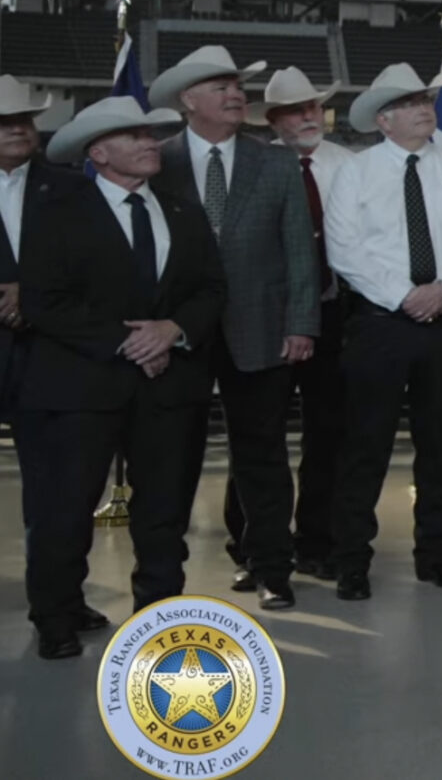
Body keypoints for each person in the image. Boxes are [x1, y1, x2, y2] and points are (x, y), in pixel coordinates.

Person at [17, 97, 225, 661]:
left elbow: (210, 289)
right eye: (133, 137)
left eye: (152, 135)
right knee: (66, 510)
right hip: (81, 386)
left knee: (163, 514)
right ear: (98, 152)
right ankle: (56, 618)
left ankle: (158, 619)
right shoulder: (57, 212)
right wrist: (129, 341)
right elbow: (44, 301)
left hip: (166, 388)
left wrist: (173, 329)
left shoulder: (182, 211)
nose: (149, 143)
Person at [150, 45, 321, 611]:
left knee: (263, 456)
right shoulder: (158, 161)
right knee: (174, 458)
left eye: (236, 86)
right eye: (220, 86)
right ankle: (161, 580)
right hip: (178, 334)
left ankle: (271, 566)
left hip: (264, 328)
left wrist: (302, 322)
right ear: (188, 101)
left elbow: (300, 251)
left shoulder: (274, 162)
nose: (234, 94)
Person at [323, 62, 442, 600]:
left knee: (438, 444)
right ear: (383, 119)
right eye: (412, 103)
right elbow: (344, 250)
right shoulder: (357, 171)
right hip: (380, 325)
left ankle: (437, 555)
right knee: (365, 445)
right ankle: (351, 560)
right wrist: (403, 294)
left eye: (427, 100)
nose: (426, 110)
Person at [253, 66, 355, 575]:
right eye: (297, 109)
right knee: (261, 435)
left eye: (314, 106)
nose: (311, 115)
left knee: (328, 432)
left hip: (333, 312)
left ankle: (318, 540)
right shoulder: (256, 166)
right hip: (268, 316)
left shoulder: (350, 165)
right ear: (274, 120)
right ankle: (255, 545)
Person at [0, 76, 72, 431]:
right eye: (4, 123)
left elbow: (91, 264)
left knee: (49, 478)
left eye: (24, 121)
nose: (17, 129)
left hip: (51, 357)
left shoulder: (74, 189)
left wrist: (29, 291)